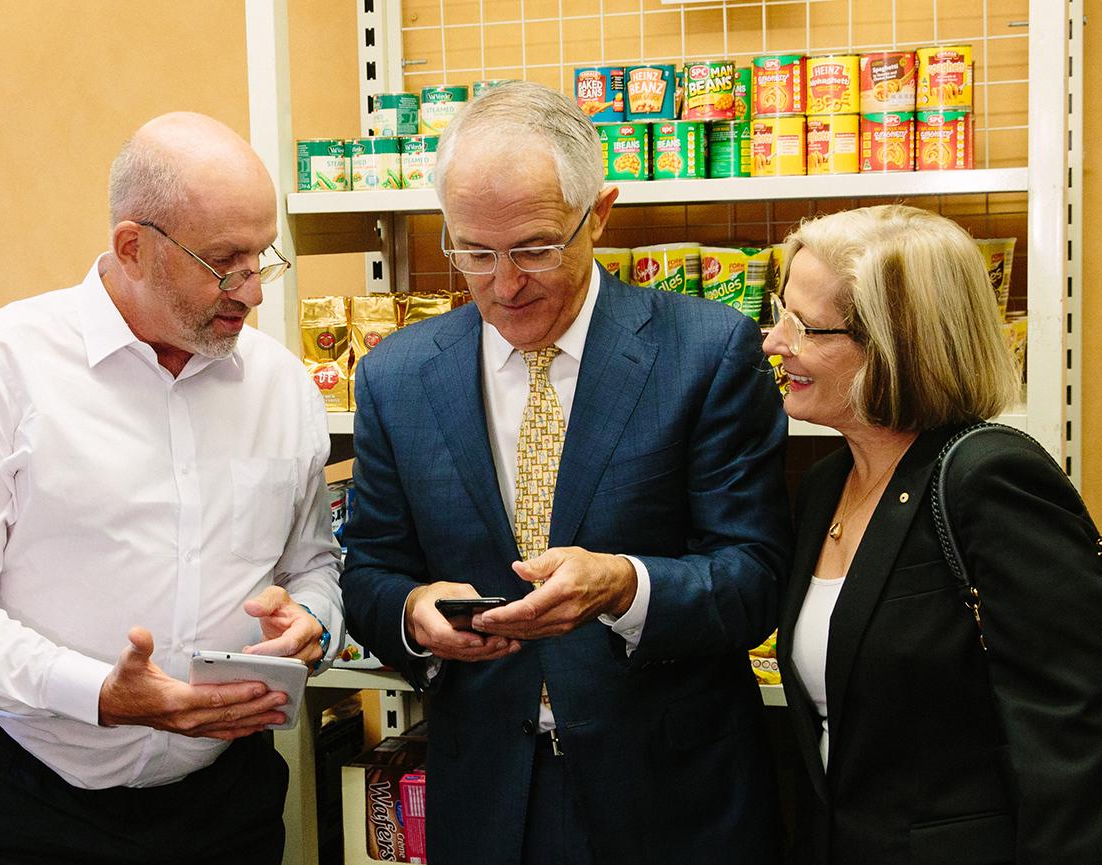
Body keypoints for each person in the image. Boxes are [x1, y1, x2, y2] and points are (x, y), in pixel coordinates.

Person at [339, 82, 790, 865]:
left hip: (672, 800)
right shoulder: (396, 376)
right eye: (473, 252)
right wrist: (414, 610)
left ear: (601, 213)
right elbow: (369, 571)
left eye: (536, 249)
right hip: (486, 797)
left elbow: (752, 576)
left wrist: (625, 585)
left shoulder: (707, 353)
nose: (504, 284)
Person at [0, 111, 342, 865]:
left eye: (263, 258)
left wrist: (314, 627)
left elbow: (312, 566)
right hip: (32, 801)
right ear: (133, 247)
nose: (252, 292)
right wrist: (97, 691)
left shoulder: (281, 384)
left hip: (226, 805)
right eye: (225, 263)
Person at [764, 204, 1102, 864]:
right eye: (778, 311)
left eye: (805, 326)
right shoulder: (823, 488)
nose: (773, 341)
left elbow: (1075, 738)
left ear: (895, 345)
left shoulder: (991, 481)